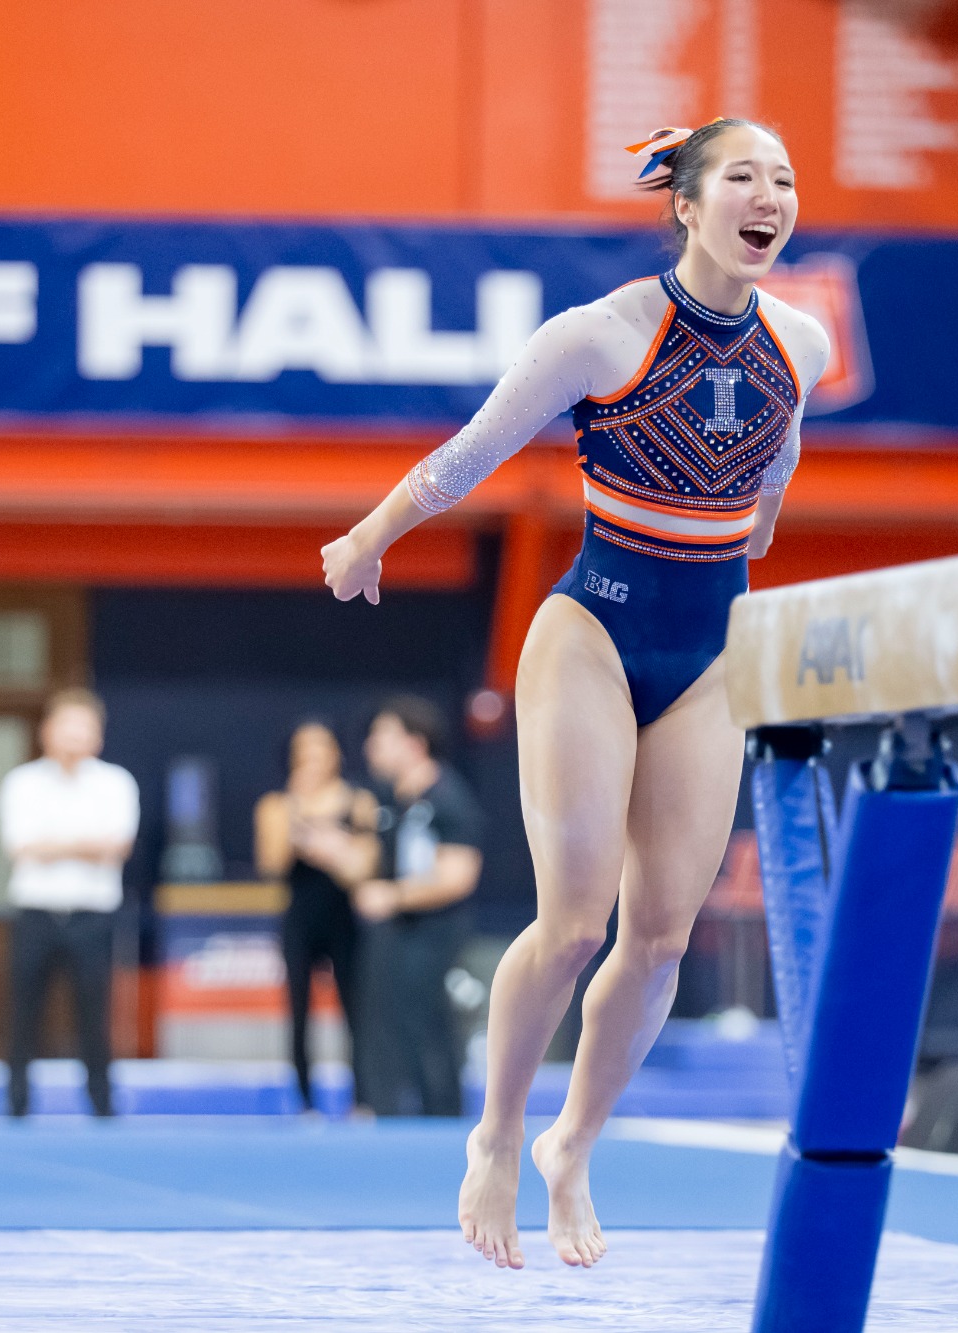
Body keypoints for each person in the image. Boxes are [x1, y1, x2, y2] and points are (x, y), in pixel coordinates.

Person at [322, 117, 828, 1268]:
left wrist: (750, 549)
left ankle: (572, 1143)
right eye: (743, 177)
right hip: (592, 630)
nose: (770, 196)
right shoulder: (599, 337)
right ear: (687, 207)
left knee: (658, 938)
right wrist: (366, 537)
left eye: (785, 180)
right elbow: (467, 452)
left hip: (709, 650)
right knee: (573, 923)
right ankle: (496, 1133)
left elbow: (778, 464)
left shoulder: (800, 343)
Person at [0, 688, 139, 1118]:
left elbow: (116, 845)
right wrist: (84, 843)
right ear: (46, 732)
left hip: (92, 916)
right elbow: (21, 846)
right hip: (35, 913)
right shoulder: (22, 782)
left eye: (85, 728)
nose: (74, 738)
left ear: (98, 736)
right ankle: (17, 1103)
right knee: (23, 1014)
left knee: (94, 1015)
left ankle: (101, 1104)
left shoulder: (116, 783)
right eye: (66, 727)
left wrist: (55, 843)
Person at [354, 696, 485, 1117]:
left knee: (428, 1025)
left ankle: (441, 1115)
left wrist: (392, 896)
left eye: (383, 736)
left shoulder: (447, 798)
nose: (371, 746)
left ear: (415, 742)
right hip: (396, 933)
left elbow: (459, 875)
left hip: (433, 932)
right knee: (385, 1023)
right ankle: (388, 1108)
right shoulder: (391, 802)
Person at [255, 720, 379, 1114]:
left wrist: (333, 850)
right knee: (298, 1008)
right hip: (299, 917)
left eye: (321, 749)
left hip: (344, 917)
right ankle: (306, 1099)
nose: (312, 759)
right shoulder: (277, 804)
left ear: (336, 754)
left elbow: (363, 868)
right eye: (303, 751)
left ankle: (362, 1098)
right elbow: (272, 863)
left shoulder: (358, 801)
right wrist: (296, 812)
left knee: (355, 1008)